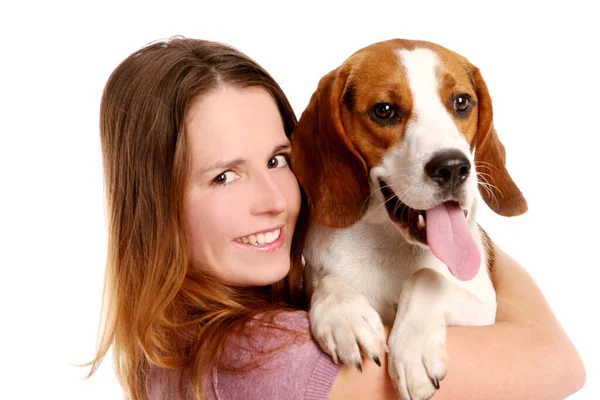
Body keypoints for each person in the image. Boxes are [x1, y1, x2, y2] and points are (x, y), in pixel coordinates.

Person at [86, 36, 586, 400]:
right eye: (223, 176)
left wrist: (338, 286)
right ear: (156, 202)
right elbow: (558, 365)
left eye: (279, 160)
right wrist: (450, 260)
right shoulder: (260, 361)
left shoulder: (180, 343)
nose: (274, 200)